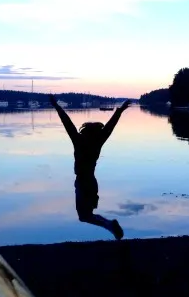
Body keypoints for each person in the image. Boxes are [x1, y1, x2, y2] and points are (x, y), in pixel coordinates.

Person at [50, 95, 131, 240]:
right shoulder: (98, 142)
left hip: (83, 183)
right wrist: (120, 111)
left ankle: (110, 225)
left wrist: (57, 107)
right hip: (91, 182)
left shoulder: (78, 141)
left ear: (84, 132)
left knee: (84, 216)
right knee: (87, 215)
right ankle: (110, 225)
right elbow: (109, 127)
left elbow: (67, 123)